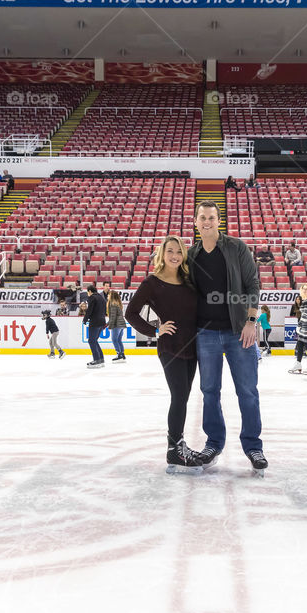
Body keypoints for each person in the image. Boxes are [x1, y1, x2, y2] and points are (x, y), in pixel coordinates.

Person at [188, 200, 267, 474]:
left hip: (238, 332)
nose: (207, 222)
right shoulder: (191, 255)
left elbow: (253, 284)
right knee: (209, 392)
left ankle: (253, 447)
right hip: (205, 333)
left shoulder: (236, 247)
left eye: (211, 217)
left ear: (218, 221)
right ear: (196, 222)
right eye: (202, 218)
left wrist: (250, 321)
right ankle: (214, 443)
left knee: (247, 391)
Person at [125, 235, 204, 474]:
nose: (175, 256)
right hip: (171, 346)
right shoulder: (152, 282)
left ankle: (179, 445)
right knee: (179, 396)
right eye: (170, 251)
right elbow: (131, 313)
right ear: (162, 253)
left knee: (184, 396)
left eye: (179, 252)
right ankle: (174, 449)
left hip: (193, 346)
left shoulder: (189, 280)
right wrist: (155, 330)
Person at [289, 283, 307, 374]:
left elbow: (306, 315)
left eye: (306, 289)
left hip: (306, 326)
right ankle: (298, 363)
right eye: (303, 289)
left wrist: (299, 325)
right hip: (304, 325)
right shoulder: (306, 300)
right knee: (300, 345)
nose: (304, 290)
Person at [82, 284, 106, 368]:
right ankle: (101, 359)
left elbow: (90, 310)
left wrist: (85, 319)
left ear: (89, 291)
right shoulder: (101, 297)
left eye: (87, 292)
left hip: (95, 322)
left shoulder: (92, 297)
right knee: (94, 340)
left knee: (91, 341)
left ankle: (96, 360)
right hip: (102, 322)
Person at [107, 290, 127, 363]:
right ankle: (122, 354)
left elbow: (113, 317)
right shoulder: (118, 304)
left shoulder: (112, 304)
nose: (107, 296)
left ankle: (119, 354)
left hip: (117, 324)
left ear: (111, 296)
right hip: (121, 324)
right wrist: (107, 323)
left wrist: (110, 326)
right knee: (119, 340)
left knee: (114, 339)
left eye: (109, 295)